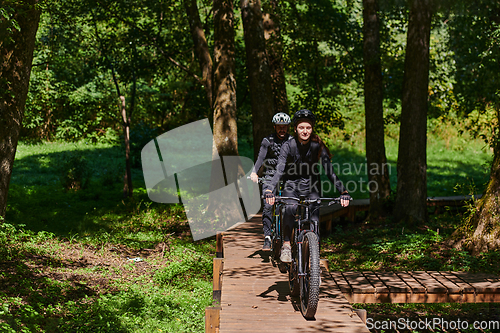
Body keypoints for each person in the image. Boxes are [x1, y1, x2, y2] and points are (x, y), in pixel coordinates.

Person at [264, 109, 351, 263]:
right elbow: (279, 169)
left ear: (312, 129)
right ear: (296, 129)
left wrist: (343, 191)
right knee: (289, 208)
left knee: (315, 220)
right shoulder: (288, 145)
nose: (305, 131)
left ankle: (313, 263)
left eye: (308, 128)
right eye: (301, 128)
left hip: (312, 185)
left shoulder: (317, 145)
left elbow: (329, 171)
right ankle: (286, 245)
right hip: (291, 184)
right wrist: (270, 189)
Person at [250, 112, 292, 251]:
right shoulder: (267, 141)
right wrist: (254, 172)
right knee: (268, 204)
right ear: (274, 127)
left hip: (287, 175)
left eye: (284, 127)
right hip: (269, 174)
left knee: (290, 205)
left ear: (288, 127)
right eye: (279, 127)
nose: (282, 129)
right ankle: (268, 236)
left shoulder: (292, 141)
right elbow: (260, 158)